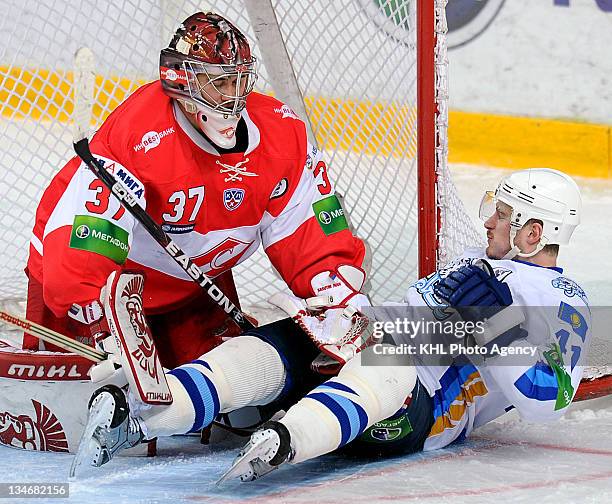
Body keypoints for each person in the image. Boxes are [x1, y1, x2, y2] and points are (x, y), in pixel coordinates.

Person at [25, 11, 368, 369]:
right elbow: (82, 245)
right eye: (217, 84)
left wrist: (334, 291)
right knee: (69, 407)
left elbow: (309, 233)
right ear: (182, 82)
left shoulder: (283, 136)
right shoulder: (139, 136)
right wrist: (101, 324)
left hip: (192, 284)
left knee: (222, 394)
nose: (232, 98)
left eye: (238, 82)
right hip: (97, 282)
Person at [216, 167, 592, 482]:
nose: (488, 220)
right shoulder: (476, 258)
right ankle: (173, 405)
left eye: (503, 214)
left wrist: (494, 325)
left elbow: (549, 400)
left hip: (421, 409)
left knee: (386, 364)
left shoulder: (560, 298)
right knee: (282, 342)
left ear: (533, 234)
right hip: (369, 351)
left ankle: (288, 438)